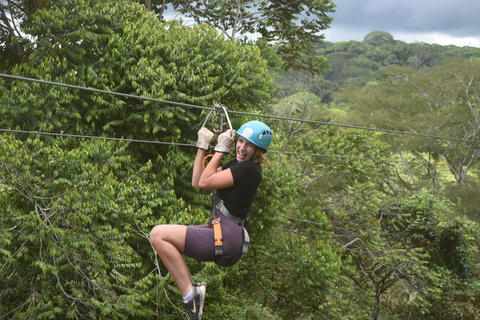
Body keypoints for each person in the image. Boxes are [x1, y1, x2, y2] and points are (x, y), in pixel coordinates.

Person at [149, 120, 273, 320]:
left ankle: (191, 296)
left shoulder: (250, 170)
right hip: (222, 233)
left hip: (227, 238)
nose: (242, 148)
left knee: (158, 235)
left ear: (259, 150)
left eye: (249, 145)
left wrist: (221, 150)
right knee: (161, 235)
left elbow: (206, 182)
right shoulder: (238, 165)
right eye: (240, 141)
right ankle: (192, 293)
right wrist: (202, 147)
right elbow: (198, 181)